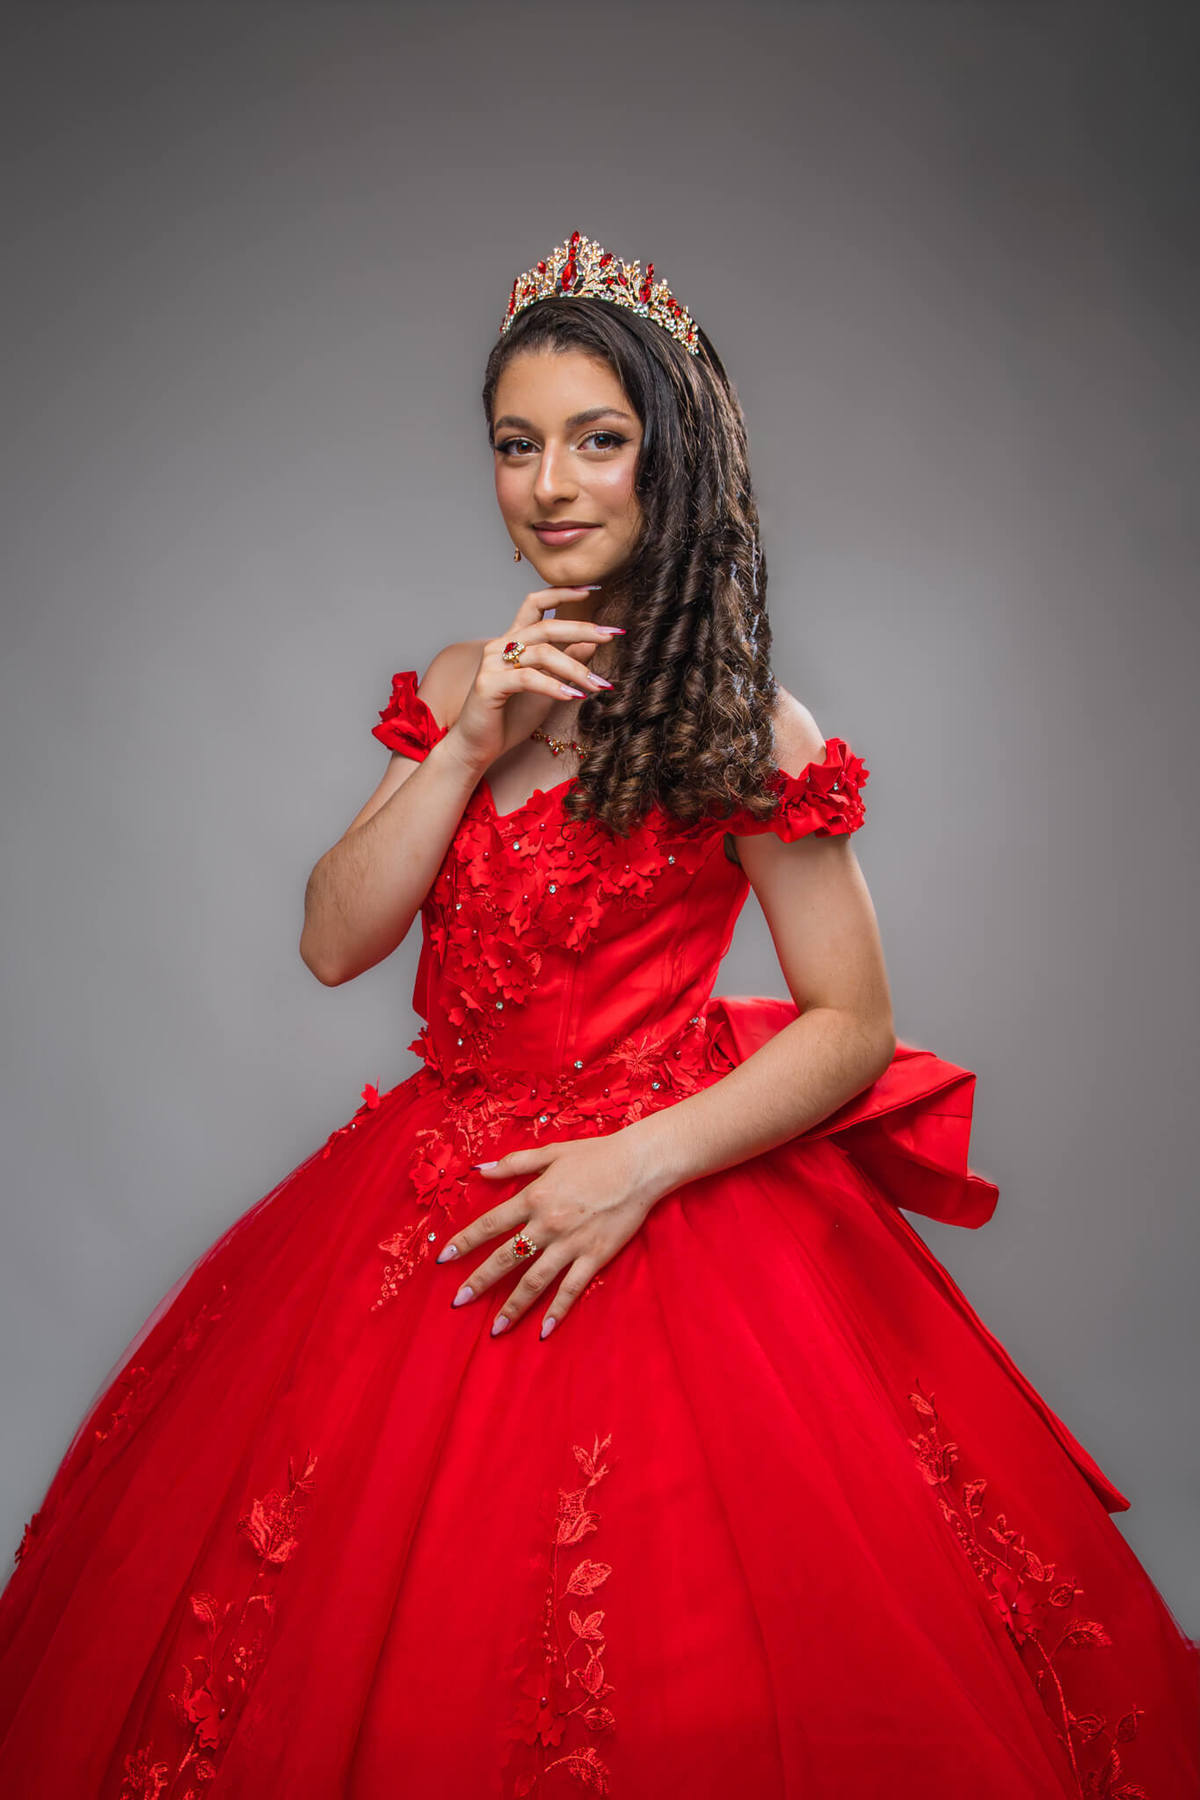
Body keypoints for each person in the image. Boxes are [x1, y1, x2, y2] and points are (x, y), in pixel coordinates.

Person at [0, 230, 1195, 1799]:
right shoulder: (458, 682)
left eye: (597, 439)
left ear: (669, 462)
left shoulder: (746, 722)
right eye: (516, 445)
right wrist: (461, 739)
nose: (551, 484)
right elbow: (330, 942)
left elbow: (850, 1024)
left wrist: (631, 1166)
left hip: (664, 1203)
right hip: (431, 1210)